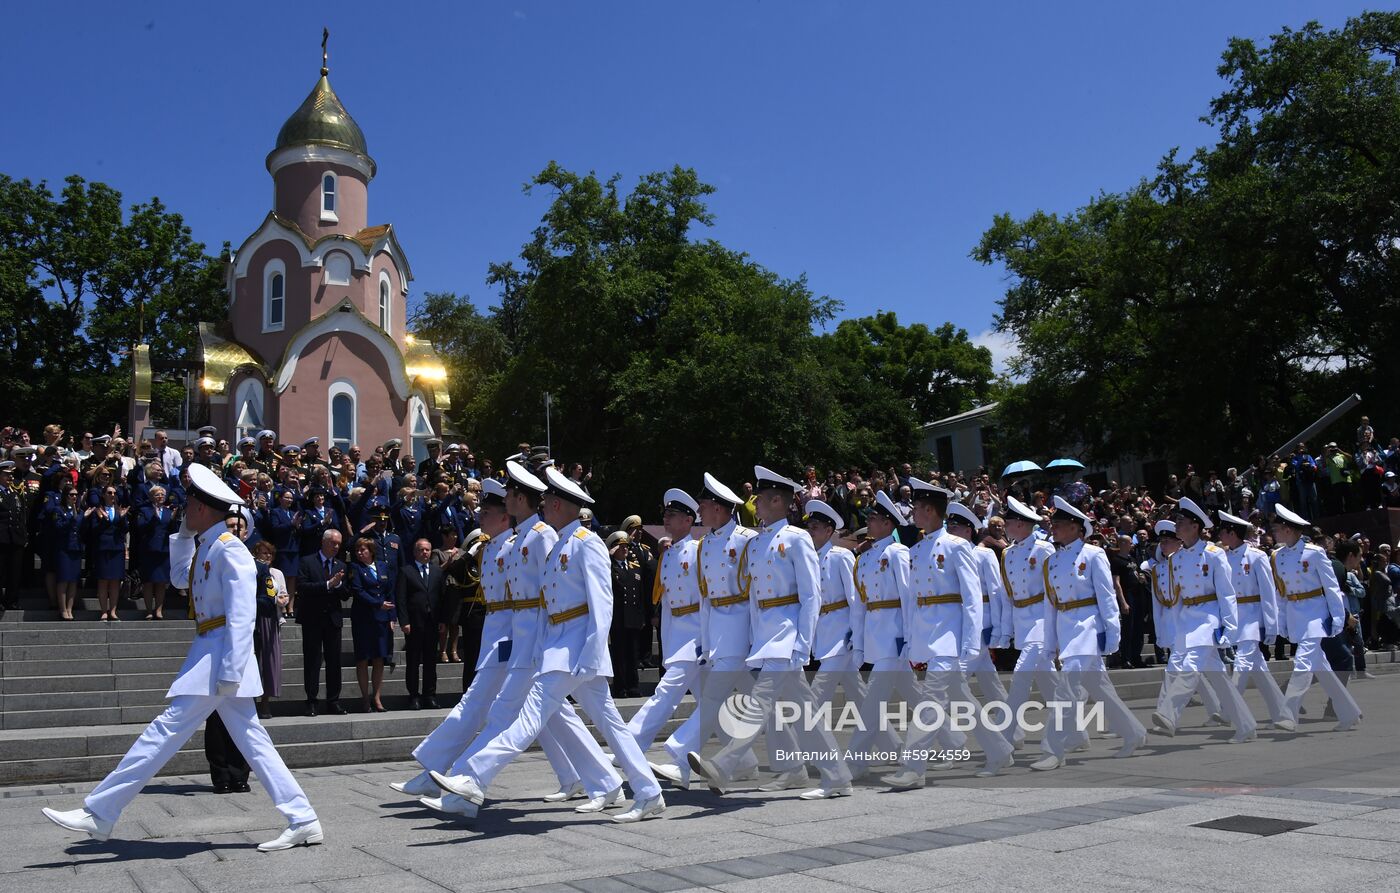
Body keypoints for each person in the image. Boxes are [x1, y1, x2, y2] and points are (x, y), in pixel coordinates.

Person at [42, 463, 321, 850]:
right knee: (254, 742)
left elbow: (243, 616)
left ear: (204, 508)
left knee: (166, 729)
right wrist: (185, 536)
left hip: (220, 655)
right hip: (210, 650)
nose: (184, 507)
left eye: (189, 503)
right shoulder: (209, 544)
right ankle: (303, 818)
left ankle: (100, 811)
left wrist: (231, 669)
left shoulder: (232, 550)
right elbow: (179, 580)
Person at [430, 466, 665, 822]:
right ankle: (648, 792)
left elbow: (602, 604)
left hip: (575, 649)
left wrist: (592, 652)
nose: (545, 506)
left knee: (529, 716)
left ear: (558, 505)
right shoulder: (560, 544)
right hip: (559, 645)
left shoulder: (586, 543)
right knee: (611, 724)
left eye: (549, 501)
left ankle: (474, 777)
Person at [688, 465, 853, 800]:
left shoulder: (796, 538)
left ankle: (725, 762)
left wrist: (803, 643)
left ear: (778, 500)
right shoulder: (760, 541)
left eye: (760, 499)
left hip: (787, 632)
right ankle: (836, 776)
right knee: (803, 711)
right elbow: (752, 597)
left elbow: (810, 595)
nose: (755, 504)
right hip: (767, 635)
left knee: (761, 702)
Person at [882, 488, 1012, 787]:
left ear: (929, 511)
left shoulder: (956, 547)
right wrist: (913, 642)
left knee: (932, 699)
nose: (912, 513)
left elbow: (971, 598)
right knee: (961, 699)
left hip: (951, 636)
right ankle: (999, 749)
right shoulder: (915, 550)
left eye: (917, 508)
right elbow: (914, 601)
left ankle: (914, 767)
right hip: (928, 635)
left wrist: (969, 643)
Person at [652, 473, 763, 787]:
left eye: (703, 504)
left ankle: (678, 755)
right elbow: (705, 597)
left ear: (719, 507)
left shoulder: (746, 539)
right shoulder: (707, 545)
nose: (699, 510)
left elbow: (755, 590)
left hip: (741, 627)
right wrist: (704, 637)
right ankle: (747, 762)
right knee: (729, 698)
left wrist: (757, 636)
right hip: (715, 630)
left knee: (714, 697)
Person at [1041, 496, 1147, 757]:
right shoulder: (1052, 561)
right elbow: (1051, 605)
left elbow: (1106, 596)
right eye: (1053, 523)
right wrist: (1050, 641)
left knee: (1067, 687)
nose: (1053, 527)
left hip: (1088, 626)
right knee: (1100, 688)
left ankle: (1052, 750)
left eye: (1059, 523)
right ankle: (1134, 733)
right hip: (1067, 629)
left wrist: (1112, 634)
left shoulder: (1093, 554)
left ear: (1076, 527)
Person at [1153, 498, 1257, 743]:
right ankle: (1247, 725)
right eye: (1177, 521)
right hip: (1187, 620)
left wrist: (1229, 626)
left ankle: (1169, 713)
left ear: (1196, 527)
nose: (1177, 526)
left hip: (1209, 618)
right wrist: (1175, 629)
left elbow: (1226, 592)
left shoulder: (1214, 554)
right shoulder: (1175, 560)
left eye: (1181, 522)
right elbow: (1177, 599)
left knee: (1191, 666)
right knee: (1219, 678)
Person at [997, 497, 1090, 771]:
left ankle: (1004, 738)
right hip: (1023, 622)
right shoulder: (1008, 554)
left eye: (1009, 522)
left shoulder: (1045, 549)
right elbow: (1007, 597)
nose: (1005, 526)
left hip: (1043, 619)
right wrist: (1006, 632)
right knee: (1049, 683)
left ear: (1020, 524)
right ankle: (1076, 733)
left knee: (1021, 677)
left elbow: (1058, 587)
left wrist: (1062, 626)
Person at [623, 489, 707, 760]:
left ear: (688, 520)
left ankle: (630, 747)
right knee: (709, 701)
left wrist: (706, 639)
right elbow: (667, 601)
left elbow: (707, 598)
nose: (666, 519)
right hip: (676, 632)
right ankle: (744, 761)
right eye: (665, 514)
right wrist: (668, 640)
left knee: (666, 693)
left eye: (672, 515)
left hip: (695, 633)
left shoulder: (699, 551)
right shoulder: (668, 554)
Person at [1269, 505, 1363, 730]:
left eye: (1277, 528)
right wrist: (1281, 621)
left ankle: (1288, 713)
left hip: (1315, 613)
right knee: (1321, 667)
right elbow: (1281, 594)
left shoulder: (1315, 552)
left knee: (1303, 660)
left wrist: (1338, 618)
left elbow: (1332, 588)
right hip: (1295, 613)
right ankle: (1349, 713)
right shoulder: (1277, 556)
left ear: (1289, 530)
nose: (1274, 532)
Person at [1216, 510, 1290, 726]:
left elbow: (1269, 592)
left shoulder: (1256, 556)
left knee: (1242, 661)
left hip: (1252, 616)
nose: (1220, 535)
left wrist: (1271, 624)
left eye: (1223, 531)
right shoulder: (1223, 557)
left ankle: (1228, 709)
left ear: (1232, 533)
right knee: (1259, 669)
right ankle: (1282, 712)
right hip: (1234, 615)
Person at [296, 530, 350, 717]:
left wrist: (338, 585)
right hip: (312, 618)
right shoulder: (307, 562)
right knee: (312, 661)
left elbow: (345, 594)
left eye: (339, 543)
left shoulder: (341, 565)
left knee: (334, 661)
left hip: (332, 619)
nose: (336, 546)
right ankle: (311, 701)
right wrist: (328, 585)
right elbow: (302, 587)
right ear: (324, 542)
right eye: (333, 543)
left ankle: (333, 700)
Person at [348, 537, 395, 712]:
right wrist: (377, 604)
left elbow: (389, 591)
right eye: (358, 550)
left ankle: (377, 697)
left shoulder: (382, 566)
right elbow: (358, 591)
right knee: (363, 658)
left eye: (363, 550)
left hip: (381, 618)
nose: (360, 553)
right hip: (363, 618)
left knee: (379, 658)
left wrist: (392, 616)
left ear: (371, 551)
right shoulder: (355, 568)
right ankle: (365, 698)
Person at [397, 538, 443, 709]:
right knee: (413, 661)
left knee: (431, 661)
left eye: (428, 550)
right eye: (422, 550)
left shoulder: (437, 572)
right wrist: (404, 621)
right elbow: (401, 598)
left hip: (432, 623)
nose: (425, 553)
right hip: (414, 623)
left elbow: (442, 597)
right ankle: (414, 695)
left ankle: (429, 695)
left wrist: (443, 620)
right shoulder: (406, 571)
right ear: (415, 552)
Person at [250, 540, 288, 719]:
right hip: (255, 618)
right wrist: (273, 600)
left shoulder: (276, 573)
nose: (267, 557)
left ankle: (266, 703)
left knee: (269, 661)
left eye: (270, 554)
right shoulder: (253, 571)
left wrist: (283, 600)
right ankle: (251, 703)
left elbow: (283, 594)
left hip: (271, 619)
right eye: (263, 553)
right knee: (254, 661)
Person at [606, 530, 645, 698]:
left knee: (632, 654)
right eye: (620, 547)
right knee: (619, 654)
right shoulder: (609, 567)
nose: (625, 550)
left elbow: (641, 594)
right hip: (618, 618)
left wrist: (642, 616)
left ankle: (633, 686)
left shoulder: (634, 569)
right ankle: (620, 687)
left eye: (626, 547)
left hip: (632, 618)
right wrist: (608, 556)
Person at [83, 484, 130, 622]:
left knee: (115, 582)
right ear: (103, 495)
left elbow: (125, 529)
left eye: (114, 493)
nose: (112, 495)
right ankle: (104, 611)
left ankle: (113, 611)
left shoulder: (118, 509)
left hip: (116, 548)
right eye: (109, 493)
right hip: (103, 548)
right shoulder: (98, 510)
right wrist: (103, 520)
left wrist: (121, 518)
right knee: (103, 581)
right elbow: (94, 530)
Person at [134, 487, 178, 620]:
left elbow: (172, 530)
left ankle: (158, 609)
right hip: (149, 550)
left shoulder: (168, 511)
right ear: (151, 496)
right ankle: (148, 610)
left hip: (163, 550)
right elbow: (140, 527)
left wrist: (173, 519)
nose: (160, 497)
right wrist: (153, 516)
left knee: (161, 582)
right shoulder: (145, 511)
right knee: (148, 582)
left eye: (162, 494)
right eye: (158, 494)